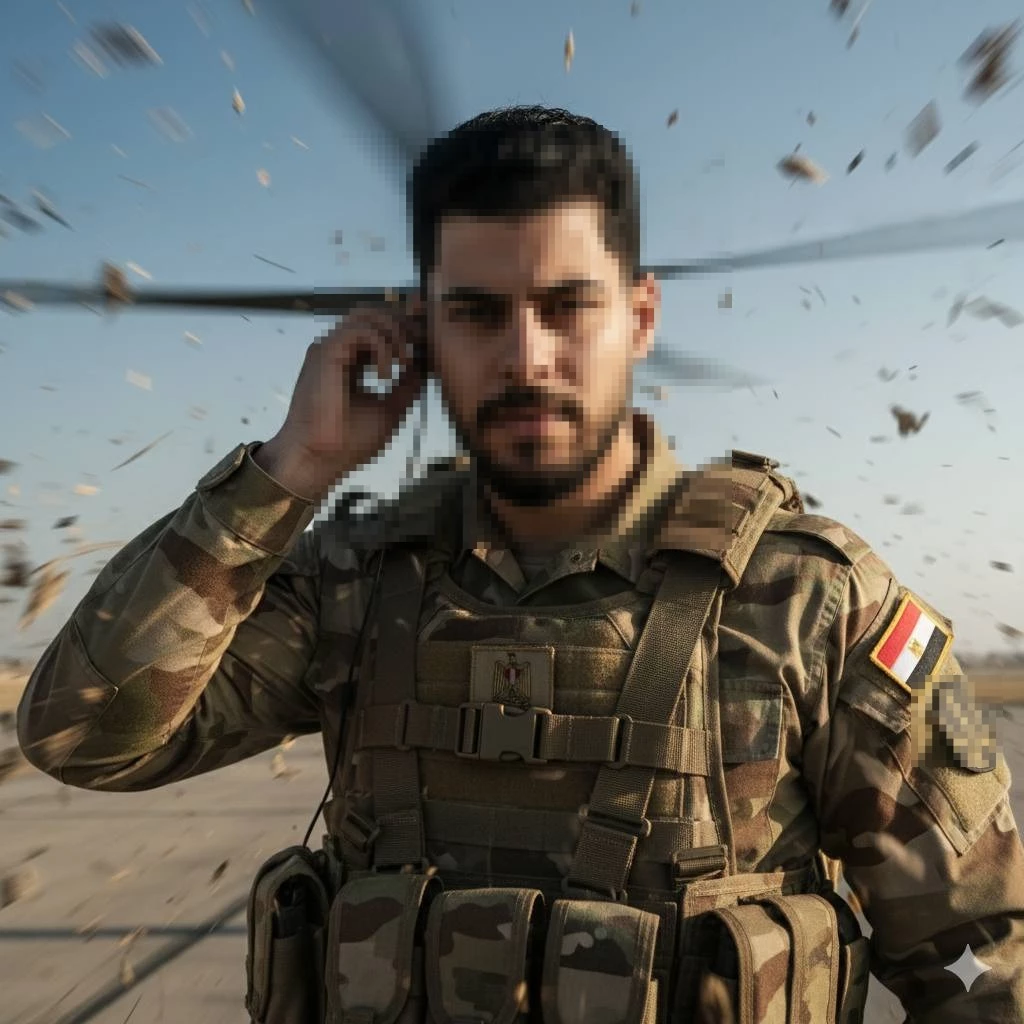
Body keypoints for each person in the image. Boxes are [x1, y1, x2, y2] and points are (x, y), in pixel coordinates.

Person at [16, 105, 1024, 1023]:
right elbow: (84, 735)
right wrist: (294, 467)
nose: (526, 357)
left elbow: (979, 967)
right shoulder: (359, 584)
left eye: (567, 307)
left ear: (639, 318)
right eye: (477, 313)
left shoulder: (808, 601)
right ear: (418, 333)